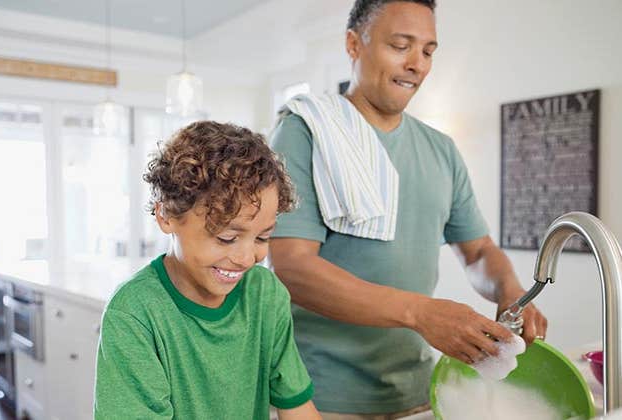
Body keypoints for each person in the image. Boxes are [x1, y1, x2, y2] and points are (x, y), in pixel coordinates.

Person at [268, 0, 548, 418]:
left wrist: (510, 292)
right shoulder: (303, 133)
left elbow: (478, 252)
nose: (417, 64)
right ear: (353, 44)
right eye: (401, 45)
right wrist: (421, 312)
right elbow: (292, 267)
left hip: (418, 390)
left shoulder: (441, 150)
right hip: (318, 394)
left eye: (429, 51)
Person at [94, 121, 322, 420]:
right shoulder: (135, 313)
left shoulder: (265, 294)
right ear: (166, 215)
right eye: (226, 237)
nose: (245, 257)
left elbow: (296, 406)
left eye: (262, 237)